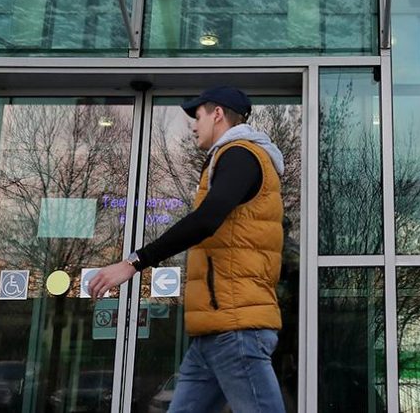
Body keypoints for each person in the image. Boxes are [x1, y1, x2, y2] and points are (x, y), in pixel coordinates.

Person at [88, 86, 286, 413]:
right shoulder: (228, 158)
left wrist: (134, 262)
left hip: (235, 328)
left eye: (197, 116)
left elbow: (206, 220)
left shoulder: (242, 155)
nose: (193, 126)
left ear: (217, 114)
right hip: (212, 332)